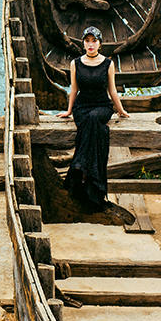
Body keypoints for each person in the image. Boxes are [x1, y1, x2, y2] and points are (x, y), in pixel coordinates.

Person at [56, 26, 130, 211]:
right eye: (87, 41)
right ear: (83, 43)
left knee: (94, 119)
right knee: (90, 120)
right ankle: (91, 181)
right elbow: (74, 90)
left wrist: (120, 111)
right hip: (82, 107)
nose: (90, 44)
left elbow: (112, 90)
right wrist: (69, 111)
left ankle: (79, 165)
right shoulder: (75, 63)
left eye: (94, 41)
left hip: (102, 106)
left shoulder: (107, 64)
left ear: (99, 44)